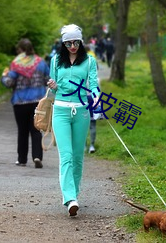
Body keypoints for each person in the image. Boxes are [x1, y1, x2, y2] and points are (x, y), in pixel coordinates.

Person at [47, 24, 99, 216]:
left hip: (82, 112)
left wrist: (97, 101)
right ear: (63, 43)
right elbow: (52, 91)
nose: (72, 46)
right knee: (66, 155)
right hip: (60, 110)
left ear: (81, 41)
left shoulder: (89, 61)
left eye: (76, 42)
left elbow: (93, 84)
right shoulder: (55, 61)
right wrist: (52, 85)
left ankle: (74, 195)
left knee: (78, 157)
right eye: (68, 43)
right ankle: (69, 197)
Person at [1, 38, 50, 168]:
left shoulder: (16, 64)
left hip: (20, 102)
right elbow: (48, 80)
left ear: (20, 50)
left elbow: (9, 83)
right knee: (36, 130)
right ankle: (37, 156)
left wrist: (4, 76)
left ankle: (22, 159)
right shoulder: (41, 63)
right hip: (37, 102)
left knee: (22, 131)